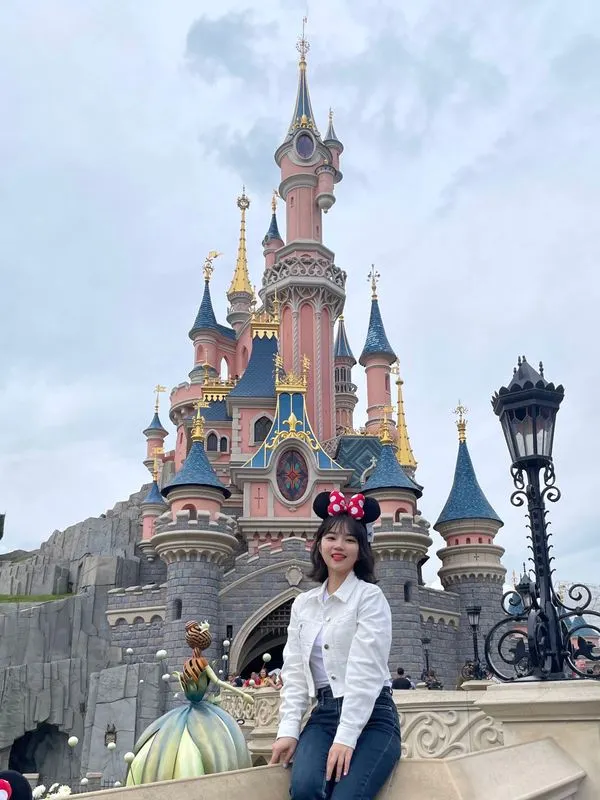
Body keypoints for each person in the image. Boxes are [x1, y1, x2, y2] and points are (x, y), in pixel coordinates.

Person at [270, 490, 401, 800]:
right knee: (305, 789)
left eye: (350, 540)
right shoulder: (303, 604)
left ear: (361, 550)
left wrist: (346, 737)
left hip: (373, 716)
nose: (339, 546)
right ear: (319, 544)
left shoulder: (369, 598)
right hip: (324, 714)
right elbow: (295, 672)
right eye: (331, 537)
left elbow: (366, 673)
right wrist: (288, 730)